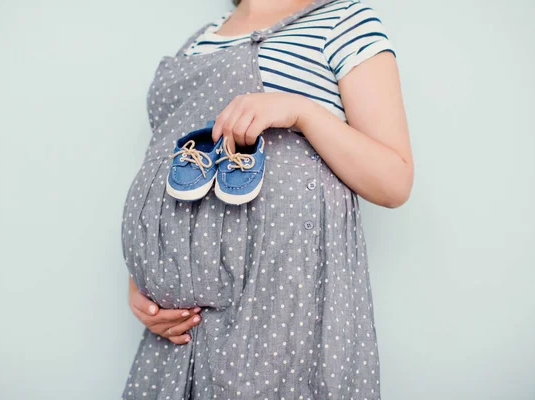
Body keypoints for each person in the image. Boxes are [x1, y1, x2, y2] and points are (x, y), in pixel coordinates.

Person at [122, 0, 413, 398]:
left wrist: (300, 111)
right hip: (180, 332)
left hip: (279, 303)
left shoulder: (344, 19)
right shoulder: (199, 40)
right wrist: (147, 276)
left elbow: (394, 180)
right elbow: (171, 170)